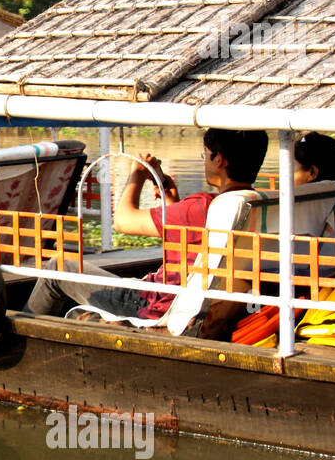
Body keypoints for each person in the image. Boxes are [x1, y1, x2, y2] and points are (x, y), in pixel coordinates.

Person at [25, 128, 269, 321]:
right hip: (190, 298)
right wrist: (171, 199)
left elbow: (123, 220)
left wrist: (137, 175)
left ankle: (17, 335)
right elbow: (193, 244)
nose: (204, 160)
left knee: (57, 269)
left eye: (205, 154)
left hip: (151, 303)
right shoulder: (256, 206)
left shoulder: (202, 206)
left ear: (219, 161)